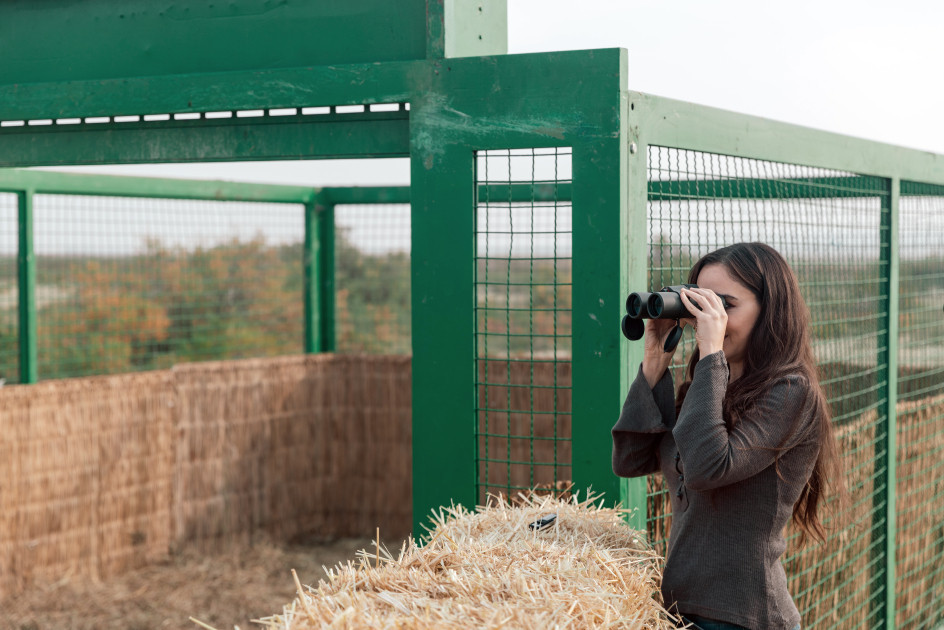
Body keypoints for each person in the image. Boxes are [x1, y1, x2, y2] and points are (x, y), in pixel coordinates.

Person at [612, 242, 841, 630]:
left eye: (724, 306)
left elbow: (708, 467)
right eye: (700, 305)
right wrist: (654, 364)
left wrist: (710, 356)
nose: (708, 319)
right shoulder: (706, 389)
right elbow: (630, 460)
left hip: (746, 618)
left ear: (769, 311)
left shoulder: (792, 392)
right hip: (679, 612)